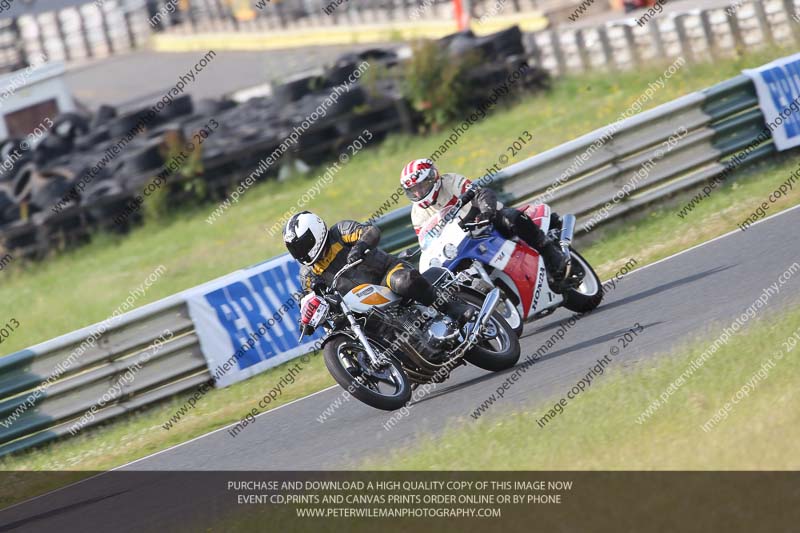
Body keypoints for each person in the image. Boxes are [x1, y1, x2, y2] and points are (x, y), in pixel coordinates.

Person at [283, 211, 473, 335]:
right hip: (360, 306)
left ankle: (452, 309)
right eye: (296, 249)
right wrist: (306, 317)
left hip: (385, 275)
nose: (301, 252)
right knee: (345, 328)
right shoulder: (308, 273)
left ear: (315, 232)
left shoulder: (339, 232)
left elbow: (370, 231)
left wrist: (360, 247)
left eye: (303, 246)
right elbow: (309, 297)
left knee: (403, 282)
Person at [400, 158, 570, 288]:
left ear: (432, 178)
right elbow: (426, 240)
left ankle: (549, 252)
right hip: (458, 243)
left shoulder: (450, 181)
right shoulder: (417, 212)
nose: (418, 192)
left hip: (483, 221)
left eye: (421, 186)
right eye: (413, 190)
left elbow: (480, 193)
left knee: (511, 217)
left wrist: (486, 212)